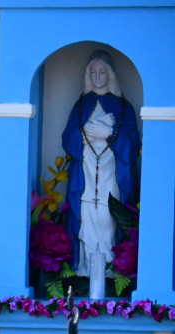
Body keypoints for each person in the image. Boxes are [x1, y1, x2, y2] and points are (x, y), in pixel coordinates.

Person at [62, 50, 140, 285]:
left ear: (111, 74)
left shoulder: (123, 106)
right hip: (85, 176)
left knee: (109, 219)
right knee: (85, 221)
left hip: (110, 175)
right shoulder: (81, 105)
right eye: (93, 72)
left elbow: (133, 143)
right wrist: (84, 135)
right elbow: (67, 139)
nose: (97, 77)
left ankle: (110, 271)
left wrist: (109, 133)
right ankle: (85, 269)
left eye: (102, 72)